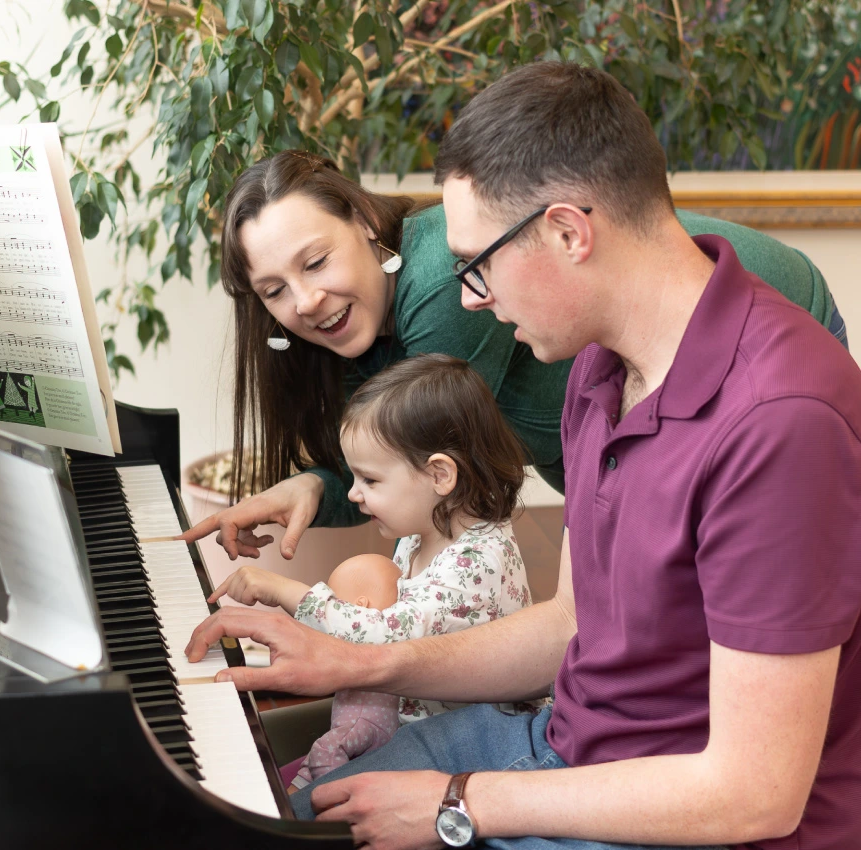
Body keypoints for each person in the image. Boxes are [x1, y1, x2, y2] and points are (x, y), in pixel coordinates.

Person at [186, 61, 861, 850]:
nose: (470, 297)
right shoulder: (598, 365)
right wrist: (354, 662)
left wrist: (459, 803)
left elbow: (753, 796)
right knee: (294, 814)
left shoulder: (782, 423)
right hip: (567, 750)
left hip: (683, 815)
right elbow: (569, 626)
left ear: (570, 232)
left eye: (478, 264)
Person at [180, 147, 848, 564]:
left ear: (362, 223)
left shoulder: (442, 284)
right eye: (273, 290)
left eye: (316, 261)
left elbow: (416, 472)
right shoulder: (362, 321)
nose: (302, 301)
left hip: (763, 319)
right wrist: (309, 486)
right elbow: (401, 466)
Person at [206, 354, 535, 777]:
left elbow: (385, 639)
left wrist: (283, 591)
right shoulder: (422, 532)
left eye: (370, 480)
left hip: (470, 753)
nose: (353, 495)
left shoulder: (478, 561)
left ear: (439, 476)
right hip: (416, 729)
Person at [284, 553, 401, 792]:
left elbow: (328, 751)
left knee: (323, 754)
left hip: (358, 732)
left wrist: (334, 796)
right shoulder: (395, 642)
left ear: (359, 608)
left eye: (335, 603)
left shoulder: (369, 641)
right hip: (359, 743)